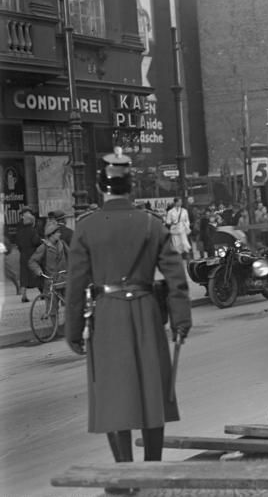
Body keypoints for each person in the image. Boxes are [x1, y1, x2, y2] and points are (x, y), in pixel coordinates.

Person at [64, 148, 191, 481]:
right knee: (153, 391)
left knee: (112, 394)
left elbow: (76, 286)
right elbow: (176, 279)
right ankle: (152, 469)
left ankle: (125, 473)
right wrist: (181, 320)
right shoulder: (152, 224)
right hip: (148, 312)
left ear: (99, 187)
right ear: (131, 186)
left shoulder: (86, 227)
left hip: (106, 316)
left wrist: (73, 330)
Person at [28, 221, 69, 293]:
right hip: (50, 281)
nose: (60, 234)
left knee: (67, 303)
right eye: (57, 232)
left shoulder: (62, 244)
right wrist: (38, 271)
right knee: (51, 303)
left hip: (64, 280)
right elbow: (32, 261)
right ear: (51, 234)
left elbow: (71, 256)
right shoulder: (43, 247)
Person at [16, 206, 40, 303]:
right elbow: (36, 242)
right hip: (32, 254)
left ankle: (24, 296)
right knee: (36, 273)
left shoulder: (20, 231)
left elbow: (18, 243)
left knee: (24, 276)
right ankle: (42, 293)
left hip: (23, 255)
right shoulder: (33, 230)